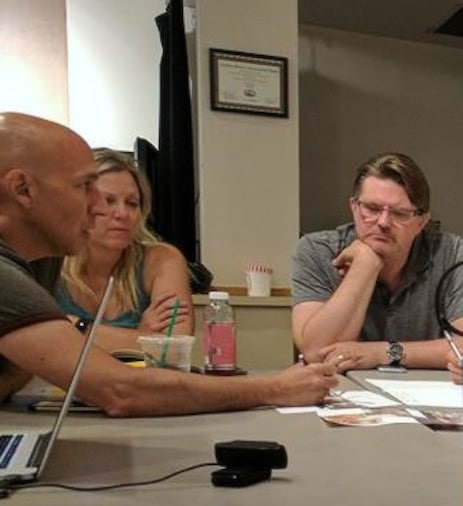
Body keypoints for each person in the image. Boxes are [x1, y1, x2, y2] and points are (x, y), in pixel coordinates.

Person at [0, 111, 338, 416]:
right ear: (22, 189)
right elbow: (120, 390)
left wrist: (75, 333)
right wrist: (274, 388)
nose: (97, 206)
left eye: (130, 202)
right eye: (84, 187)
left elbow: (166, 349)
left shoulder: (40, 261)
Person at [292, 152, 463, 372]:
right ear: (354, 207)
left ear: (421, 222)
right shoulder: (316, 250)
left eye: (400, 214)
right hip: (341, 392)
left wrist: (383, 352)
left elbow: (460, 349)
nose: (383, 222)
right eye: (371, 209)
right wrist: (365, 265)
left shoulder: (452, 253)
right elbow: (317, 352)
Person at [55, 148, 193, 347]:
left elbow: (173, 348)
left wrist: (75, 326)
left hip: (138, 379)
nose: (122, 214)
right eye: (108, 201)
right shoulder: (48, 262)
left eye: (132, 203)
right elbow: (34, 345)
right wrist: (141, 336)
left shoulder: (162, 259)